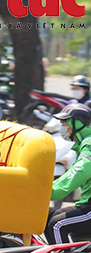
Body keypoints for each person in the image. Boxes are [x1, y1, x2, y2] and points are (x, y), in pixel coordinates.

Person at [45, 104, 91, 244]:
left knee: (57, 225)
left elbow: (79, 172)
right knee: (49, 217)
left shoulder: (89, 144)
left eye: (65, 122)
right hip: (86, 204)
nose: (63, 127)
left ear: (77, 123)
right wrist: (46, 187)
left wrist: (51, 191)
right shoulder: (83, 143)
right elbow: (71, 173)